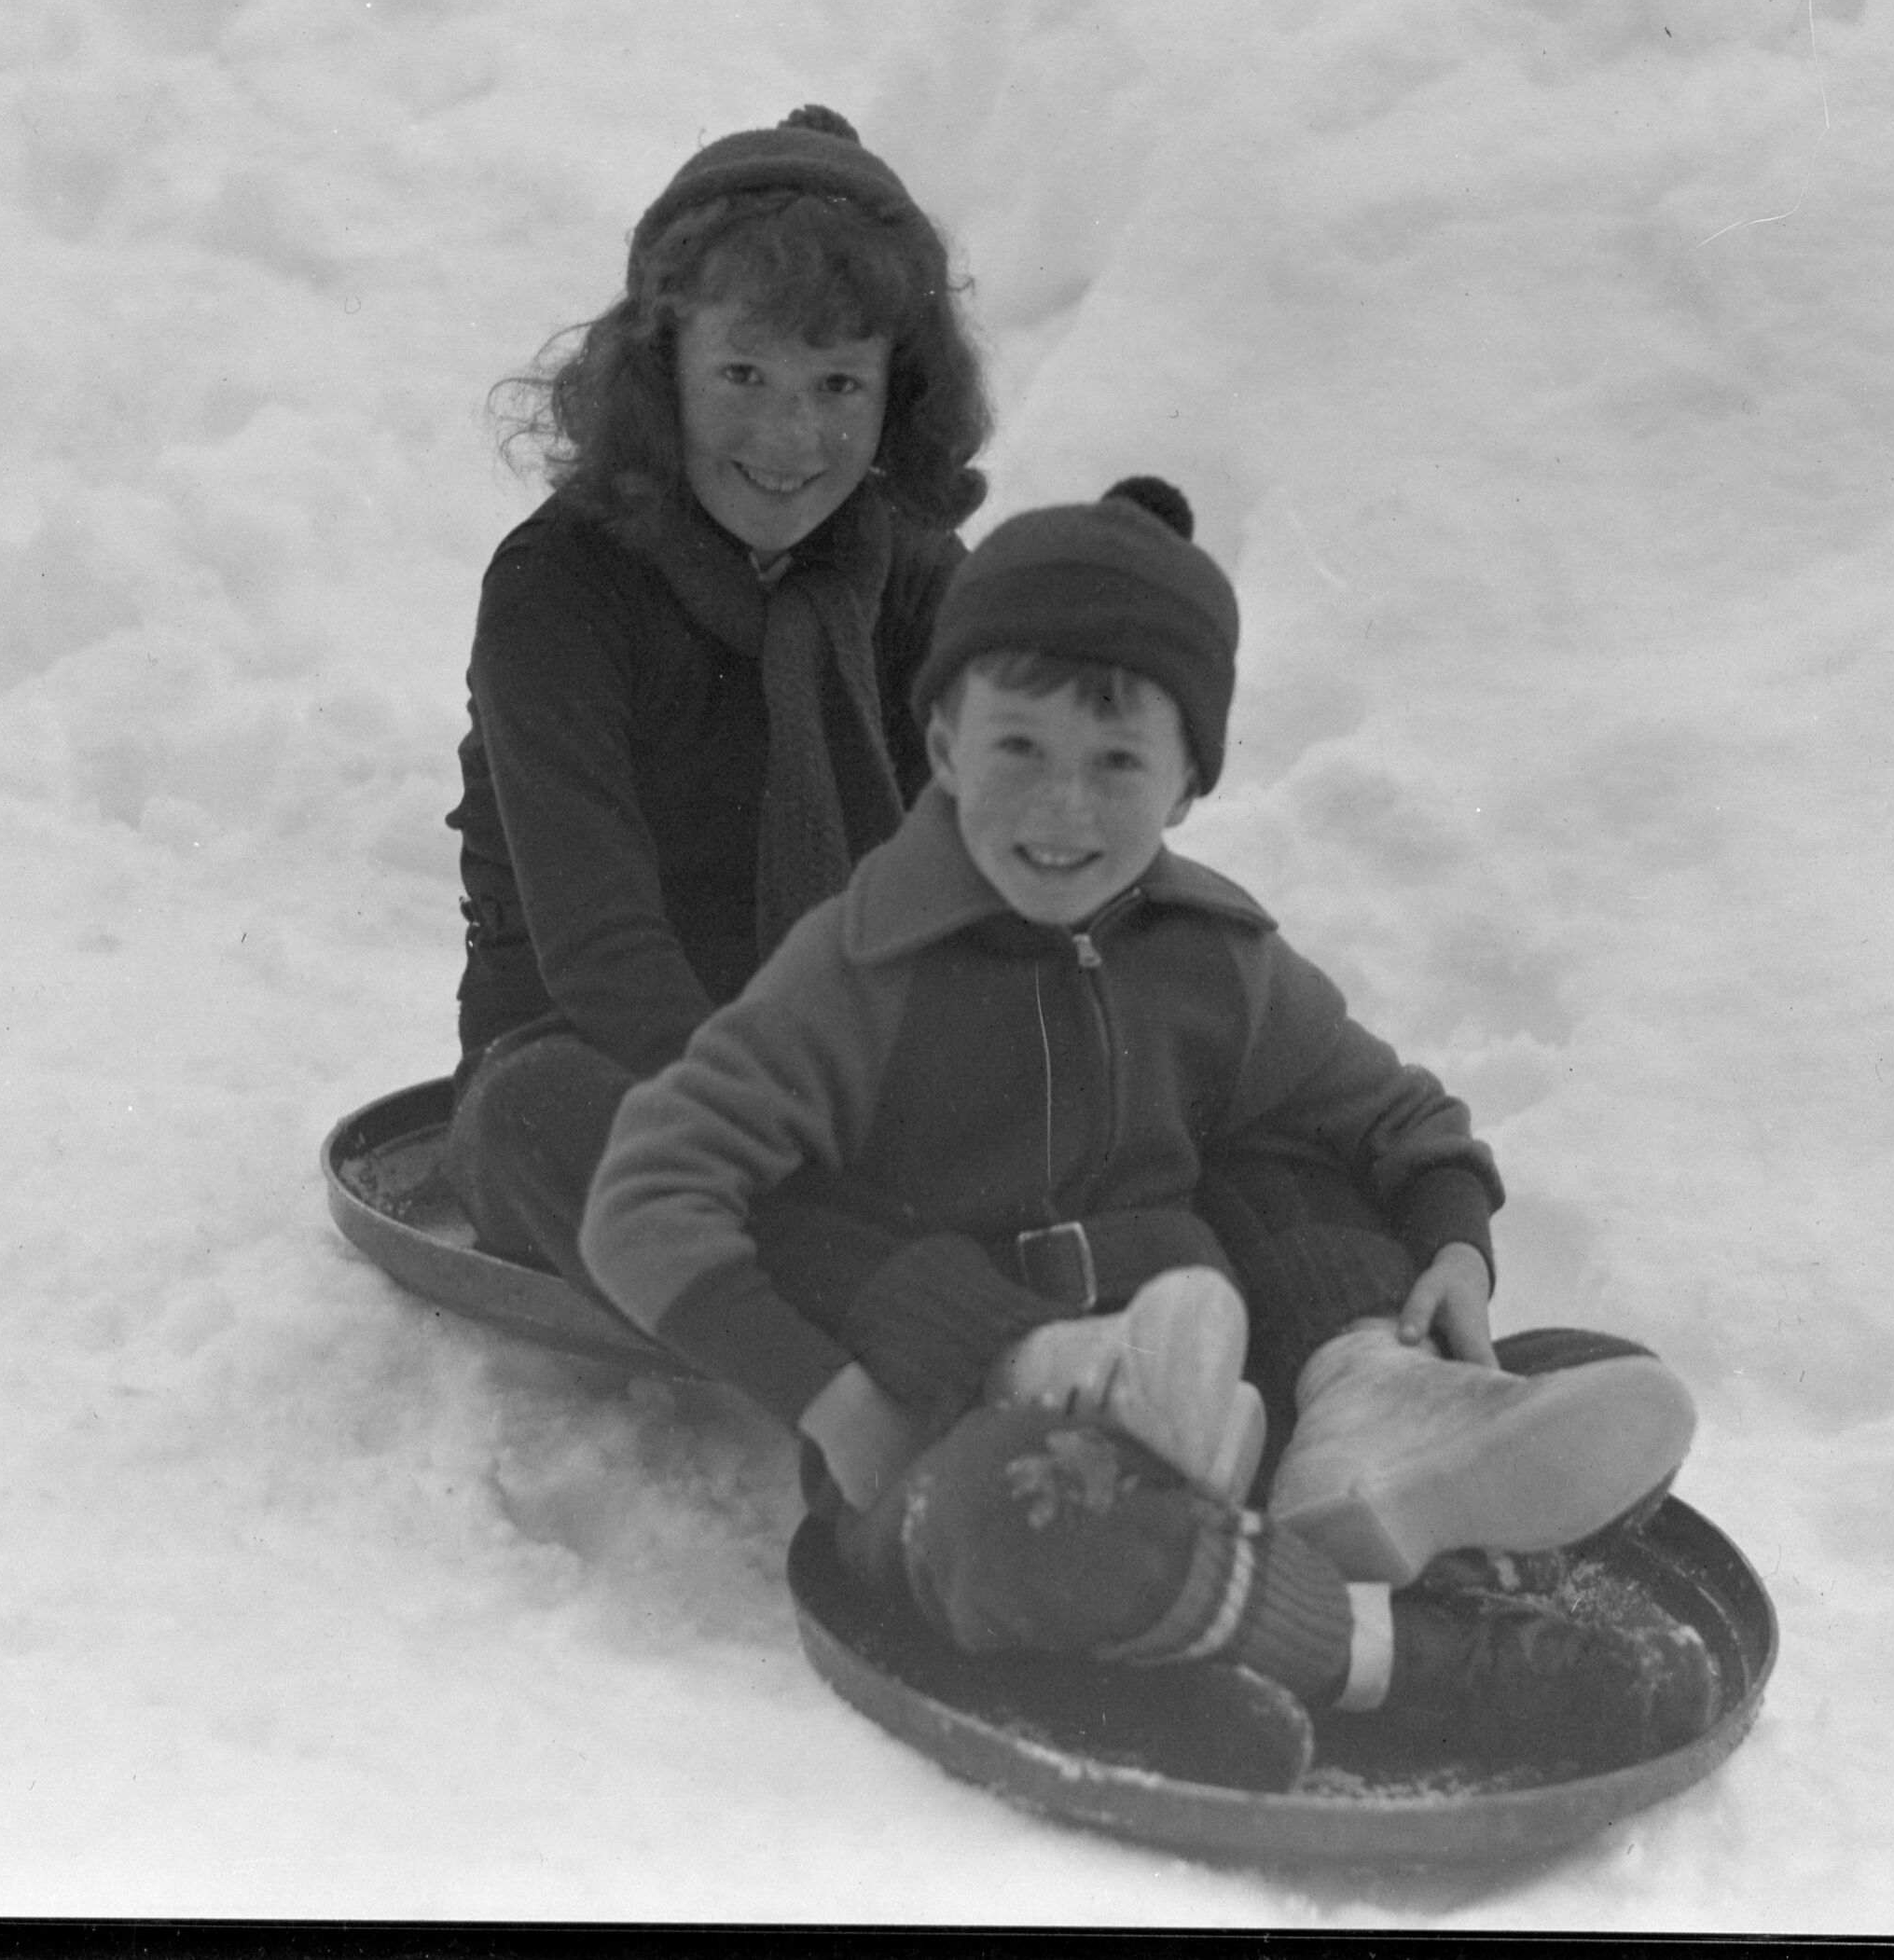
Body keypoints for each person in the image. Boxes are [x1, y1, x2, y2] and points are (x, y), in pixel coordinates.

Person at [578, 480, 1715, 1762]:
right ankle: (1415, 1655)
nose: (1063, 811)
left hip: (1233, 1404)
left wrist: (1452, 1240)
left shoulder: (1206, 953)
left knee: (1549, 1354)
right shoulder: (853, 975)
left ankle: (1272, 1557)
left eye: (1117, 765)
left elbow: (1392, 1112)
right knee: (1011, 1527)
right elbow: (641, 1200)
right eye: (1019, 751)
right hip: (975, 1423)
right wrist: (834, 1404)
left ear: (1185, 785)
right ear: (945, 745)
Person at [439, 104, 988, 1287]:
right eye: (742, 372)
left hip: (866, 1078)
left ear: (899, 395)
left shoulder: (919, 578)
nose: (790, 437)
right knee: (548, 1121)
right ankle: (939, 1307)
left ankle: (1352, 1349)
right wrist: (791, 1137)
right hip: (610, 1065)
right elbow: (600, 948)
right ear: (659, 372)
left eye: (838, 382)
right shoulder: (561, 590)